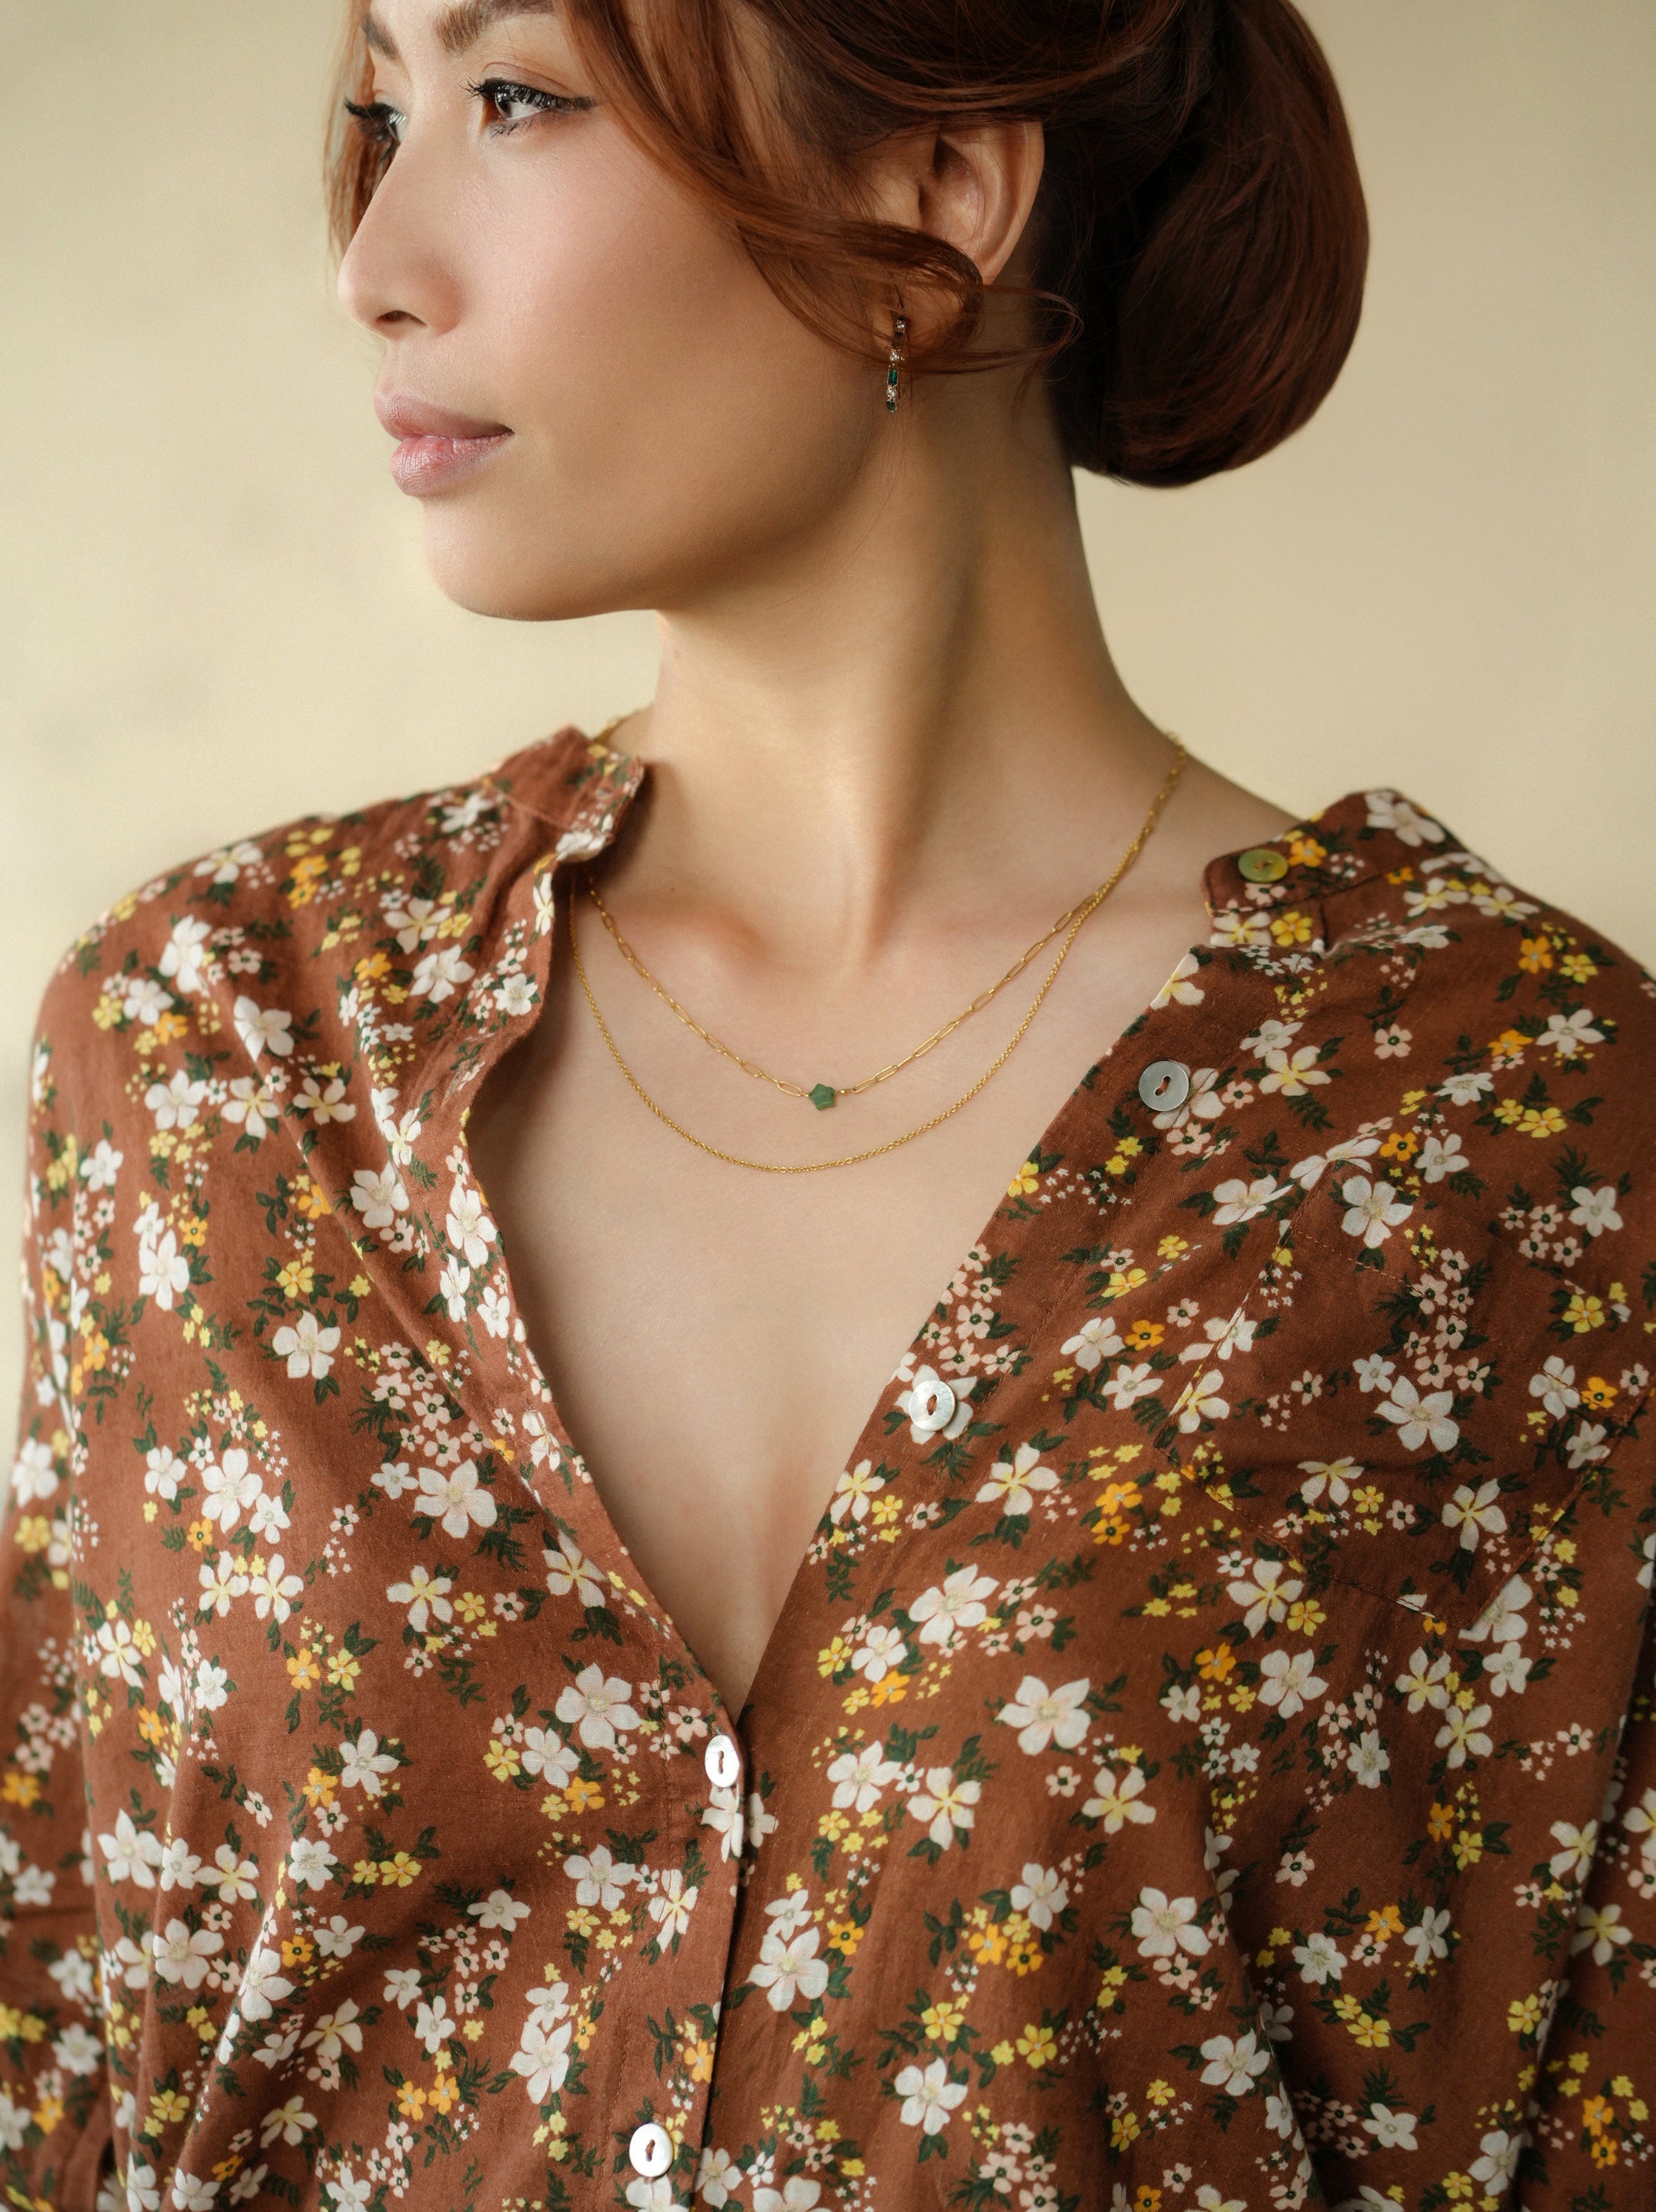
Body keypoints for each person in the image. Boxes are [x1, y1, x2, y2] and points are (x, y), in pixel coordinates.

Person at [3, 0, 1652, 2205]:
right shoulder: (213, 1054)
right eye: (376, 113)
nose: (375, 255)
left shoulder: (1506, 1136)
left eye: (511, 101)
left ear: (939, 196)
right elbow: (71, 2060)